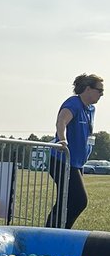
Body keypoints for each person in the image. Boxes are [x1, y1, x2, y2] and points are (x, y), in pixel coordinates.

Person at [45, 73, 103, 229]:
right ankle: (57, 231)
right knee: (79, 200)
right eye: (99, 91)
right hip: (61, 159)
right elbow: (61, 121)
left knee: (69, 200)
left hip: (77, 163)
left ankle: (54, 231)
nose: (101, 95)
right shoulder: (73, 103)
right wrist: (62, 139)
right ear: (88, 89)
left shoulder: (91, 109)